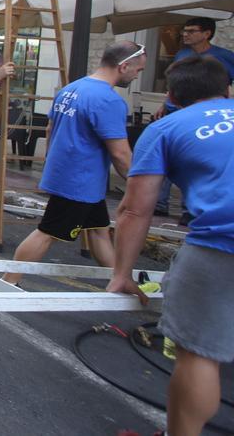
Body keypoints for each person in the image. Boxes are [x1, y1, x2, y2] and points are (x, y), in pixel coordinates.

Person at [106, 55, 234, 436]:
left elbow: (136, 210)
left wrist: (122, 273)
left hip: (220, 244)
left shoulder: (166, 128)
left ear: (172, 95)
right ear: (226, 89)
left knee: (198, 355)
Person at [2, 41, 146, 285]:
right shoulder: (109, 101)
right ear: (123, 66)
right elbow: (120, 154)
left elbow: (49, 129)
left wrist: (55, 163)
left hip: (76, 178)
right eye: (137, 70)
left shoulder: (71, 89)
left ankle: (120, 281)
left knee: (99, 231)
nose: (137, 75)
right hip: (80, 181)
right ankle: (7, 282)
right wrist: (140, 187)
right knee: (48, 233)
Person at [152, 17, 234, 219]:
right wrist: (164, 104)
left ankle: (189, 210)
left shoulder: (224, 57)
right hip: (176, 110)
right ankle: (159, 203)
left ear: (206, 33)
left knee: (192, 159)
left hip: (203, 113)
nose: (185, 34)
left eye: (191, 31)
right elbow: (174, 84)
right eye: (184, 31)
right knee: (167, 155)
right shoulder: (182, 54)